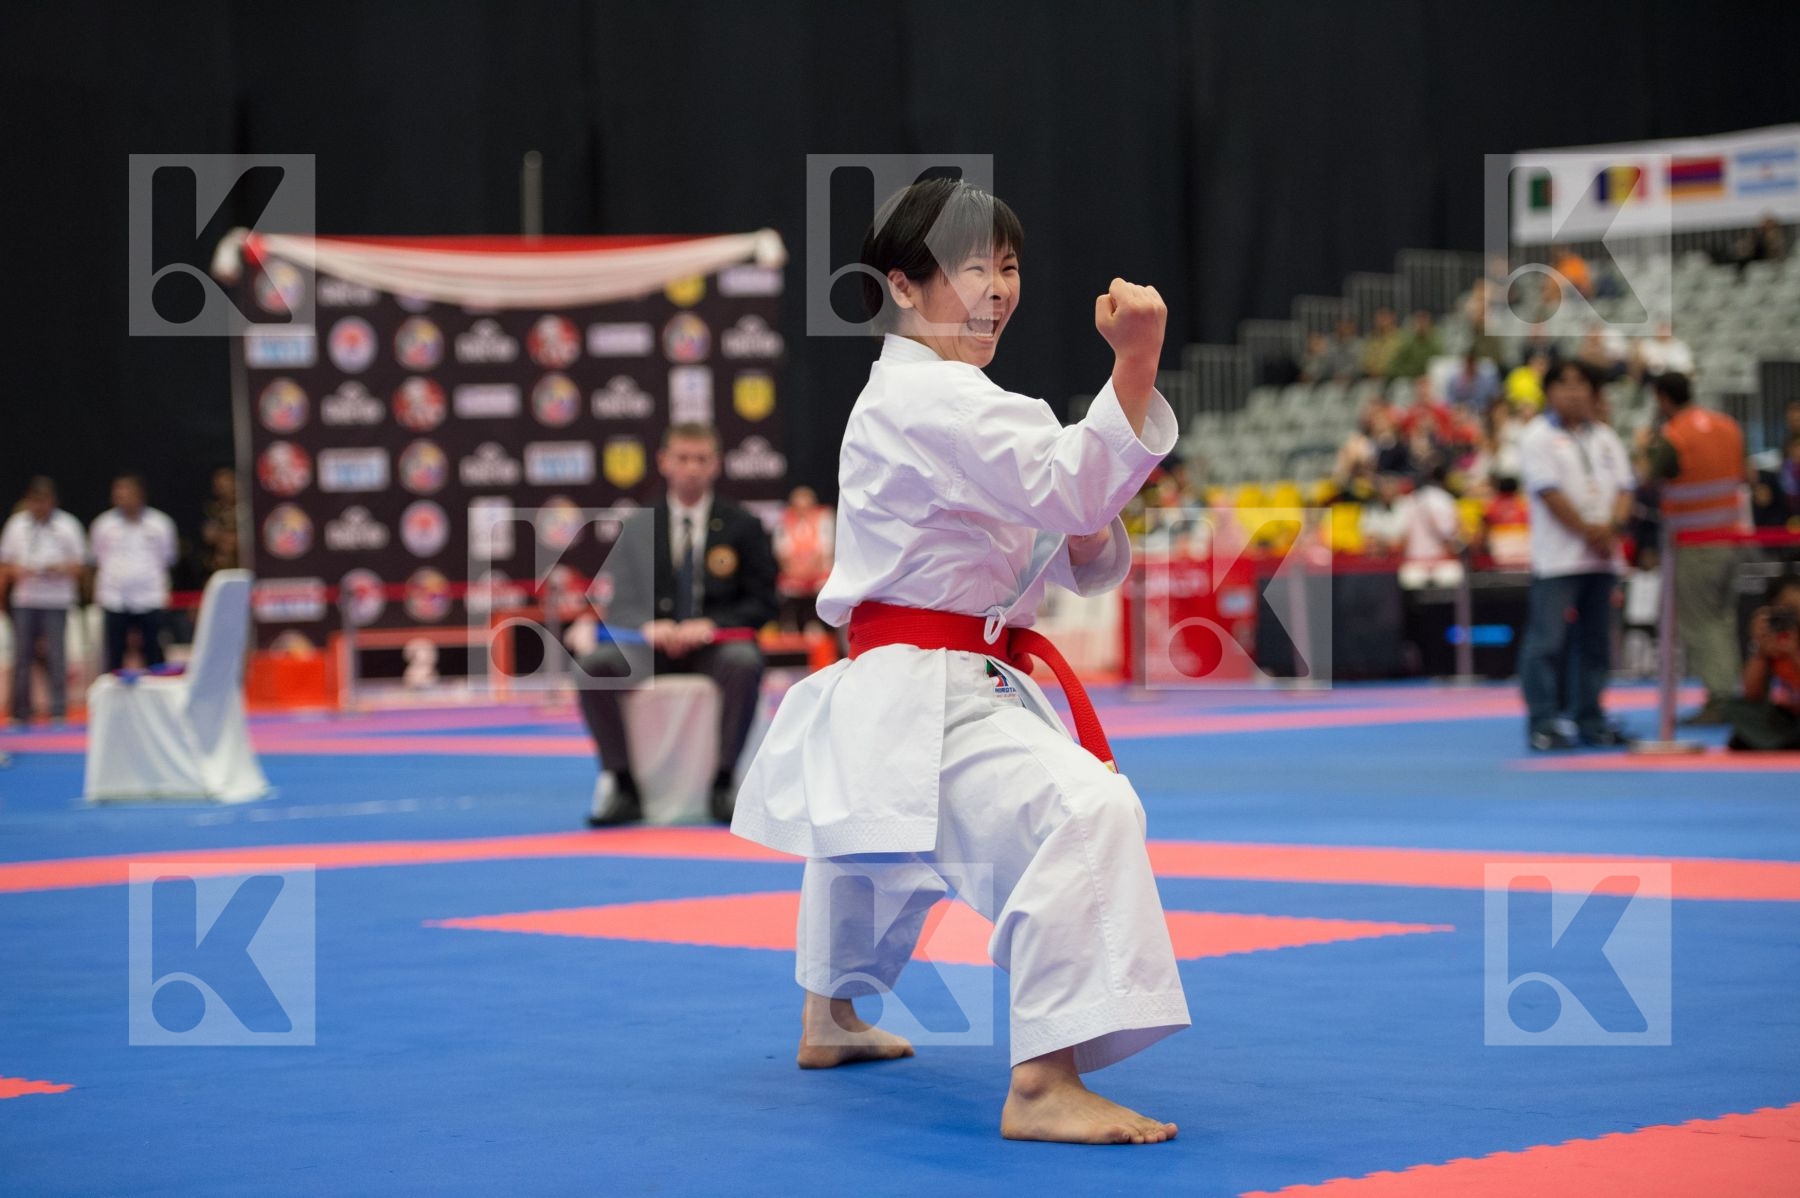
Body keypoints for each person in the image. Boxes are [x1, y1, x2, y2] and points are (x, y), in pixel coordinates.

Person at [731, 178, 1187, 1145]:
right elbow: (1070, 490)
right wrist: (1137, 362)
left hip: (913, 679)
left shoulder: (928, 396)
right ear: (903, 283)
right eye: (974, 267)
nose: (998, 288)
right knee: (1087, 810)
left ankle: (830, 1016)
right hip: (930, 683)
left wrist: (1083, 505)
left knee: (872, 843)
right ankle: (1043, 1083)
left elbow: (1076, 539)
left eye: (1010, 267)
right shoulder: (935, 394)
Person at [577, 422, 778, 825]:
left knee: (744, 661)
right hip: (648, 648)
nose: (691, 468)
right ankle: (623, 784)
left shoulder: (743, 525)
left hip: (714, 645)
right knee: (594, 666)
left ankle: (723, 782)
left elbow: (763, 603)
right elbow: (620, 605)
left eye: (701, 459)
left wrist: (712, 624)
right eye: (683, 458)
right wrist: (649, 625)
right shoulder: (637, 525)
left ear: (716, 464)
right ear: (664, 462)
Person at [1516, 361, 1634, 750]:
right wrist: (1590, 532)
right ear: (1549, 392)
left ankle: (1590, 718)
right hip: (1558, 557)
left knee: (1597, 643)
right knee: (1546, 642)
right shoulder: (1537, 436)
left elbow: (1624, 488)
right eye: (1564, 385)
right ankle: (1544, 721)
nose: (1574, 393)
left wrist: (1611, 529)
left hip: (1601, 557)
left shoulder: (1603, 436)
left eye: (1582, 385)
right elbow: (1549, 493)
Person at [1646, 372, 1747, 725]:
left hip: (1694, 543)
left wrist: (1647, 443)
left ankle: (1720, 700)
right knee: (1723, 620)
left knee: (1702, 624)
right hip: (1731, 539)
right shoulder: (1728, 426)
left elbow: (1649, 478)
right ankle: (1729, 695)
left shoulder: (1674, 436)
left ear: (1663, 399)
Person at [0, 478, 87, 728]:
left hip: (57, 600)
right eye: (34, 501)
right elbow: (5, 564)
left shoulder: (67, 525)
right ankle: (20, 712)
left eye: (44, 500)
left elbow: (81, 567)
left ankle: (58, 711)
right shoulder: (17, 525)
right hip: (25, 600)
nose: (39, 506)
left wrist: (59, 569)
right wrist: (15, 577)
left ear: (53, 501)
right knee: (22, 657)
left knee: (57, 657)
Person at [90, 474, 178, 672]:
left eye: (128, 494)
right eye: (119, 495)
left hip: (150, 598)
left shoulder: (160, 524)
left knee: (154, 654)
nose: (124, 499)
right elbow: (98, 558)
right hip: (114, 598)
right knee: (114, 655)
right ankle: (115, 701)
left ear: (140, 495)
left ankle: (157, 698)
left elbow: (168, 558)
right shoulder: (103, 525)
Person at [1722, 574, 1800, 751]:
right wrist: (1760, 649)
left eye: (1794, 609)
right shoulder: (1777, 637)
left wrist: (1794, 654)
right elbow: (1752, 694)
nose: (1791, 616)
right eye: (1785, 610)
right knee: (1738, 709)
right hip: (1791, 716)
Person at [773, 485, 835, 631]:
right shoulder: (783, 521)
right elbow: (782, 555)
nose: (803, 511)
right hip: (794, 574)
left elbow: (826, 551)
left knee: (823, 585)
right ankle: (789, 626)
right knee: (787, 589)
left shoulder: (825, 518)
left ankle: (819, 625)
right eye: (798, 507)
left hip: (818, 573)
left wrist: (811, 573)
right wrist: (796, 573)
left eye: (806, 506)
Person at [200, 466, 240, 574]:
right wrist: (224, 538)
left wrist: (235, 540)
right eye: (221, 486)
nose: (226, 489)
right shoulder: (212, 509)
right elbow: (209, 536)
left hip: (244, 558)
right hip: (220, 560)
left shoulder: (249, 508)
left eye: (229, 484)